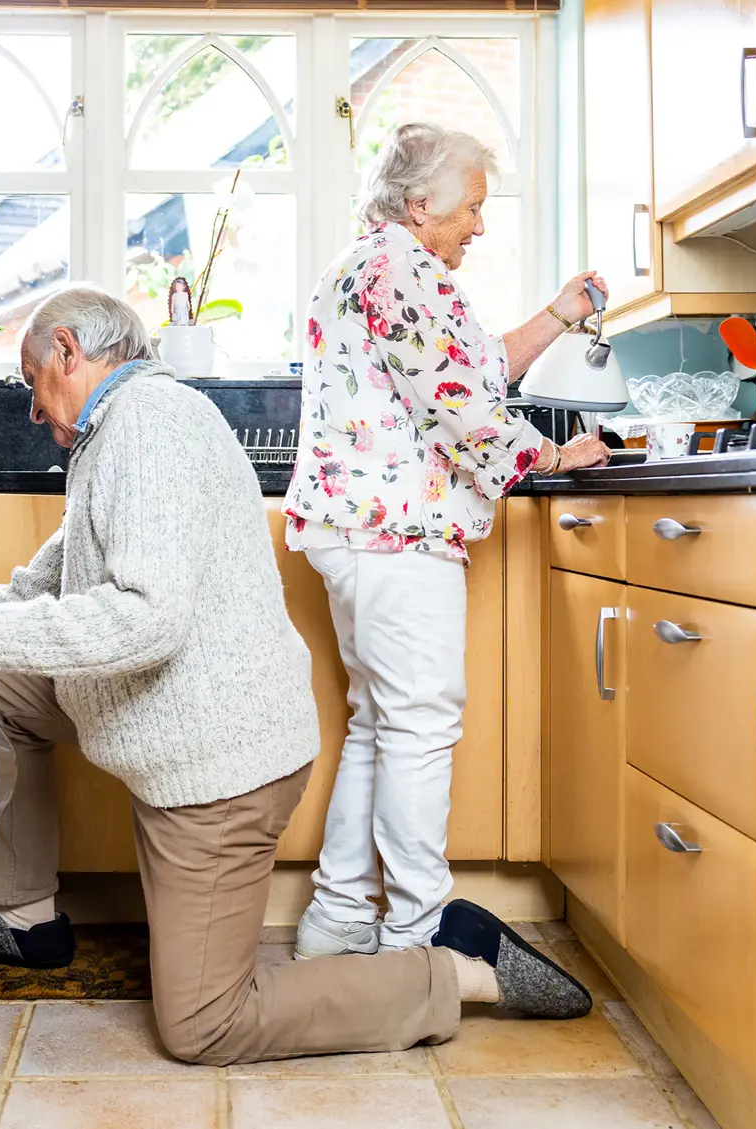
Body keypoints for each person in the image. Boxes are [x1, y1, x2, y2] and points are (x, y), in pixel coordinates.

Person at [0, 284, 594, 1067]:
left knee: (205, 1024)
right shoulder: (115, 431)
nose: (30, 410)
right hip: (163, 715)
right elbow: (52, 578)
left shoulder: (149, 428)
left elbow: (145, 619)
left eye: (29, 383)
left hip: (215, 764)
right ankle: (26, 920)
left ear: (67, 353)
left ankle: (458, 969)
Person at [282, 123, 612, 961]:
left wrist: (559, 316)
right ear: (419, 203)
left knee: (379, 723)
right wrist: (551, 452)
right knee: (420, 726)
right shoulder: (403, 271)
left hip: (356, 529)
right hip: (396, 531)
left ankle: (337, 919)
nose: (480, 223)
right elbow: (464, 406)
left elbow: (470, 368)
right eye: (472, 206)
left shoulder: (369, 267)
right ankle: (416, 934)